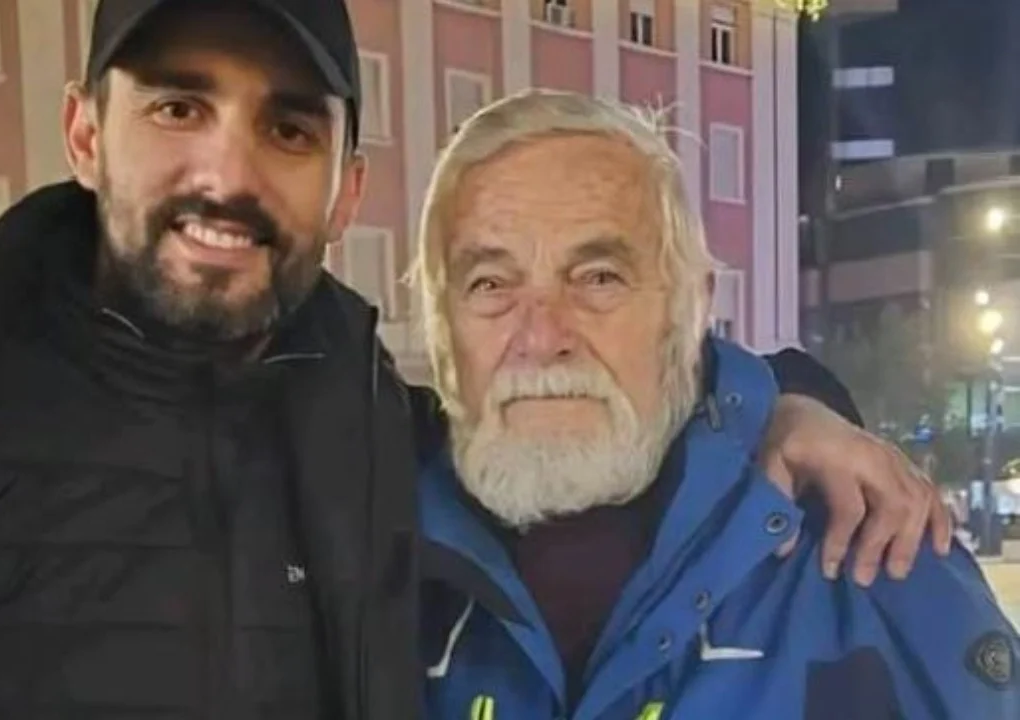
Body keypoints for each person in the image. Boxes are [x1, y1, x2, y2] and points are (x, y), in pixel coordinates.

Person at [0, 1, 947, 719]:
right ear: (84, 132)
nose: (226, 174)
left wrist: (796, 406)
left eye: (284, 126)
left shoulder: (370, 431)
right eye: (176, 107)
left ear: (343, 188)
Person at [415, 90, 1019, 720]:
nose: (541, 339)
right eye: (490, 284)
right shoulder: (374, 566)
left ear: (693, 305)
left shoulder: (878, 563)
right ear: (441, 324)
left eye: (598, 278)